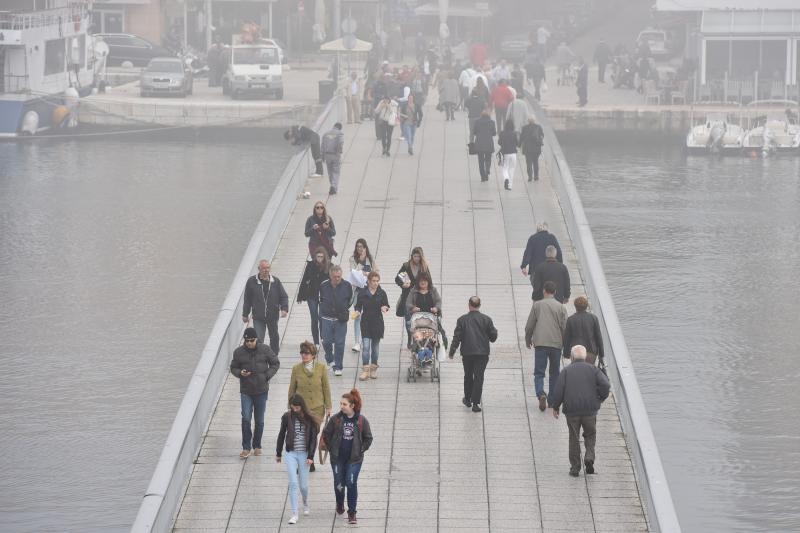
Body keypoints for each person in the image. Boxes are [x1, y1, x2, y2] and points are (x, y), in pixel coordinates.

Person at [551, 345, 610, 477]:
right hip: (590, 410)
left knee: (574, 437)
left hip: (572, 411)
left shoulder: (566, 371)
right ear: (585, 357)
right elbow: (605, 384)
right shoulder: (593, 370)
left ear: (572, 357)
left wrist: (556, 407)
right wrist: (600, 398)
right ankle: (589, 456)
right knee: (590, 434)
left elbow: (559, 390)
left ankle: (575, 468)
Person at [322, 389, 373, 525]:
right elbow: (326, 434)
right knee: (339, 484)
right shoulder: (336, 419)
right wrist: (331, 448)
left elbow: (368, 438)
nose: (341, 406)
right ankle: (340, 503)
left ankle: (352, 512)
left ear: (352, 406)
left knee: (350, 483)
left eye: (344, 404)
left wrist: (361, 449)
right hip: (337, 459)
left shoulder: (362, 421)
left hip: (354, 460)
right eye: (341, 404)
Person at [230, 327, 280, 458]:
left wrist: (266, 376)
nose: (249, 343)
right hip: (246, 390)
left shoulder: (265, 349)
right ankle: (246, 447)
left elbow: (275, 363)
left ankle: (257, 445)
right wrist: (240, 373)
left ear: (256, 339)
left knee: (259, 420)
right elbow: (233, 367)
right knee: (246, 418)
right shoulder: (238, 352)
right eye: (247, 341)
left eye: (252, 340)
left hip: (261, 390)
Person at [448, 296, 498, 413]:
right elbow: (493, 338)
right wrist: (494, 332)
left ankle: (467, 399)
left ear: (469, 305)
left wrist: (452, 351)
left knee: (468, 375)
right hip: (482, 353)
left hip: (468, 352)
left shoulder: (462, 320)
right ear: (479, 305)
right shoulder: (487, 319)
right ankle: (476, 403)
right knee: (479, 377)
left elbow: (457, 337)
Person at [276, 394, 320, 524]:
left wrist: (311, 456)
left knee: (304, 485)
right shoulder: (287, 417)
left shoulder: (309, 418)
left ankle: (305, 502)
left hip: (304, 454)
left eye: (297, 407)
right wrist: (278, 453)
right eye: (292, 407)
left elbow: (313, 439)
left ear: (302, 406)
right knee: (293, 483)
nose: (294, 409)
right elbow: (281, 434)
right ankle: (294, 513)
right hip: (291, 453)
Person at [525, 281, 567, 412]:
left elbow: (530, 325)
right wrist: (565, 344)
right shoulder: (561, 307)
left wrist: (528, 339)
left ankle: (540, 394)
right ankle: (552, 400)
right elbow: (565, 327)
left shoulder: (537, 305)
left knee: (539, 372)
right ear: (554, 292)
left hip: (541, 343)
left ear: (544, 291)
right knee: (555, 372)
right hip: (556, 344)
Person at [242, 260, 288, 354]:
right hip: (258, 316)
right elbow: (247, 299)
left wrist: (284, 309)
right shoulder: (252, 281)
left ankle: (274, 356)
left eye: (268, 268)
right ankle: (259, 356)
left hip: (272, 315)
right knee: (259, 338)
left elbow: (283, 296)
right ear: (259, 269)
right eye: (263, 268)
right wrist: (245, 314)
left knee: (274, 337)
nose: (266, 270)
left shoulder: (275, 281)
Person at [354, 271, 390, 380]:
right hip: (365, 322)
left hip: (377, 322)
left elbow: (386, 305)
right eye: (373, 281)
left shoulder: (381, 293)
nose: (375, 283)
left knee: (375, 348)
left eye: (377, 281)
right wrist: (357, 311)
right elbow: (358, 306)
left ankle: (373, 368)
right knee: (365, 347)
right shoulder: (362, 293)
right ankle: (365, 370)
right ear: (369, 281)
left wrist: (385, 308)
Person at [318, 265, 352, 376]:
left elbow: (349, 300)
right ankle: (329, 358)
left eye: (339, 276)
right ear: (330, 276)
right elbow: (320, 299)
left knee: (339, 343)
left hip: (340, 319)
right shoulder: (323, 285)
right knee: (326, 341)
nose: (337, 279)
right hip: (326, 318)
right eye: (335, 277)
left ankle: (338, 366)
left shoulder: (347, 285)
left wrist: (343, 309)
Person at [395, 247, 430, 348]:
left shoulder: (424, 267)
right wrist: (402, 284)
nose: (417, 258)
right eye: (415, 256)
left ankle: (417, 338)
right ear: (412, 256)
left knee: (419, 320)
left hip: (421, 298)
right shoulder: (406, 266)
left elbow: (429, 281)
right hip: (408, 298)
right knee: (409, 321)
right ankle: (410, 337)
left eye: (419, 256)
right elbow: (397, 278)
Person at [297, 248, 330, 346]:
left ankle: (323, 337)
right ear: (315, 256)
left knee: (322, 318)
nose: (319, 259)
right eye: (318, 256)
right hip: (312, 295)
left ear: (324, 257)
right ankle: (316, 341)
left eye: (321, 257)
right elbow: (304, 279)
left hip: (324, 296)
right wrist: (300, 295)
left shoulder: (328, 266)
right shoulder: (310, 265)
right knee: (314, 318)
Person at [349, 239, 375, 353]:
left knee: (369, 316)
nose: (360, 248)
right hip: (357, 292)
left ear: (365, 247)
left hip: (368, 291)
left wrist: (370, 274)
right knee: (357, 316)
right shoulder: (352, 259)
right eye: (358, 246)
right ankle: (356, 342)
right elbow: (353, 272)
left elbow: (376, 271)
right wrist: (360, 262)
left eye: (362, 246)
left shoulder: (370, 259)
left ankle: (367, 340)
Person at [562, 296, 604, 365]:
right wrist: (601, 354)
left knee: (577, 371)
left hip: (576, 352)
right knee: (589, 371)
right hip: (591, 352)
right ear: (586, 306)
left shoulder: (571, 320)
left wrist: (566, 353)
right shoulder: (593, 318)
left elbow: (567, 338)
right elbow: (598, 337)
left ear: (575, 306)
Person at [472, 110, 496, 182]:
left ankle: (482, 176)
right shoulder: (492, 122)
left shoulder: (477, 122)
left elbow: (474, 132)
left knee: (481, 161)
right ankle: (487, 170)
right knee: (488, 158)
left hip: (479, 143)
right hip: (488, 143)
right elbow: (494, 133)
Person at [519, 117, 544, 181]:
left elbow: (521, 137)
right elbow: (542, 135)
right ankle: (536, 176)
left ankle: (530, 176)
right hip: (536, 148)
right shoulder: (538, 127)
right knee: (535, 162)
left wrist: (519, 145)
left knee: (529, 163)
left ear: (528, 121)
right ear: (534, 120)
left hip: (528, 148)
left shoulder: (524, 128)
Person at [321, 122, 344, 194]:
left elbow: (322, 146)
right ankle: (333, 186)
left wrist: (322, 156)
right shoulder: (340, 134)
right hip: (335, 155)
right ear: (340, 128)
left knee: (330, 172)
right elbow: (340, 143)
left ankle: (332, 185)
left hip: (327, 155)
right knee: (336, 172)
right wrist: (339, 151)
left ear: (334, 126)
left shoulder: (325, 134)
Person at [497, 119, 519, 191]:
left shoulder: (502, 133)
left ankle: (506, 178)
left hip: (505, 153)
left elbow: (499, 142)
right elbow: (517, 143)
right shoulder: (514, 133)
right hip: (513, 154)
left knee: (505, 168)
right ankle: (510, 186)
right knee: (512, 169)